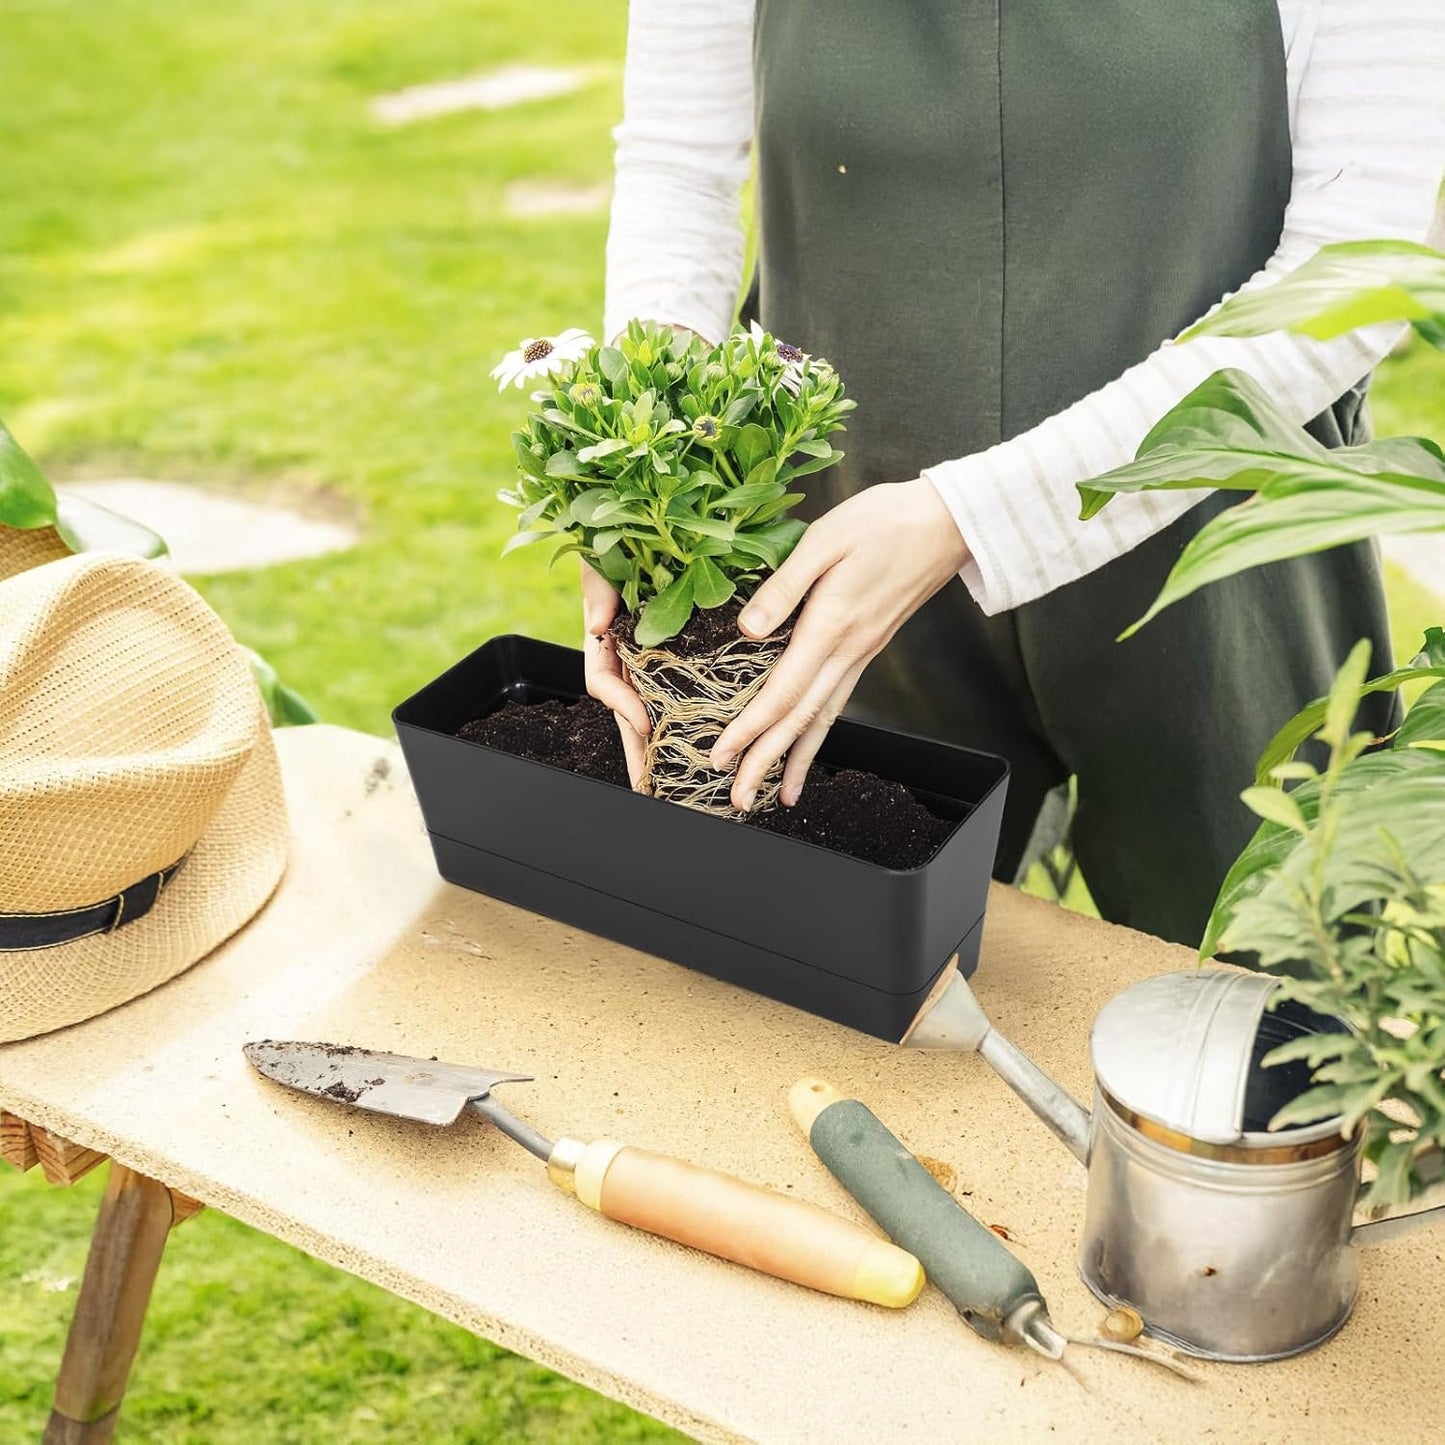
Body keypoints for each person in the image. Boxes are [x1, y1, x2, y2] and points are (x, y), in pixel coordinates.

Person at [584, 0, 1445, 947]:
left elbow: (1352, 272)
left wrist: (974, 515)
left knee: (1265, 1027)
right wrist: (653, 461)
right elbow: (679, 164)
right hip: (843, 562)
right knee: (836, 984)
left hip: (1219, 553)